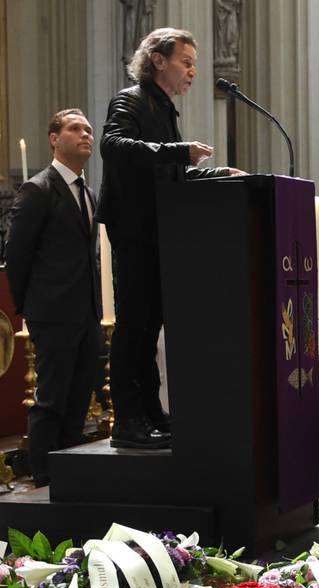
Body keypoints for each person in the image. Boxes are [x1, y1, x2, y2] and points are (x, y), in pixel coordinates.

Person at [99, 27, 243, 449]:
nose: (193, 72)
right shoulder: (130, 99)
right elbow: (114, 146)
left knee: (149, 326)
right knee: (134, 326)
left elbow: (170, 174)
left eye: (195, 64)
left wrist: (217, 174)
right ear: (157, 60)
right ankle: (128, 420)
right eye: (186, 61)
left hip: (159, 229)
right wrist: (178, 152)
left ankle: (150, 412)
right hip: (134, 228)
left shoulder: (164, 109)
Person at [5, 109, 102, 485]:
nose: (85, 135)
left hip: (87, 313)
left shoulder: (88, 193)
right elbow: (18, 255)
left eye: (88, 130)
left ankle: (70, 471)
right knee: (51, 400)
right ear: (54, 138)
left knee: (79, 398)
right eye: (75, 129)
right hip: (53, 312)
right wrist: (29, 307)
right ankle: (45, 475)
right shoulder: (38, 189)